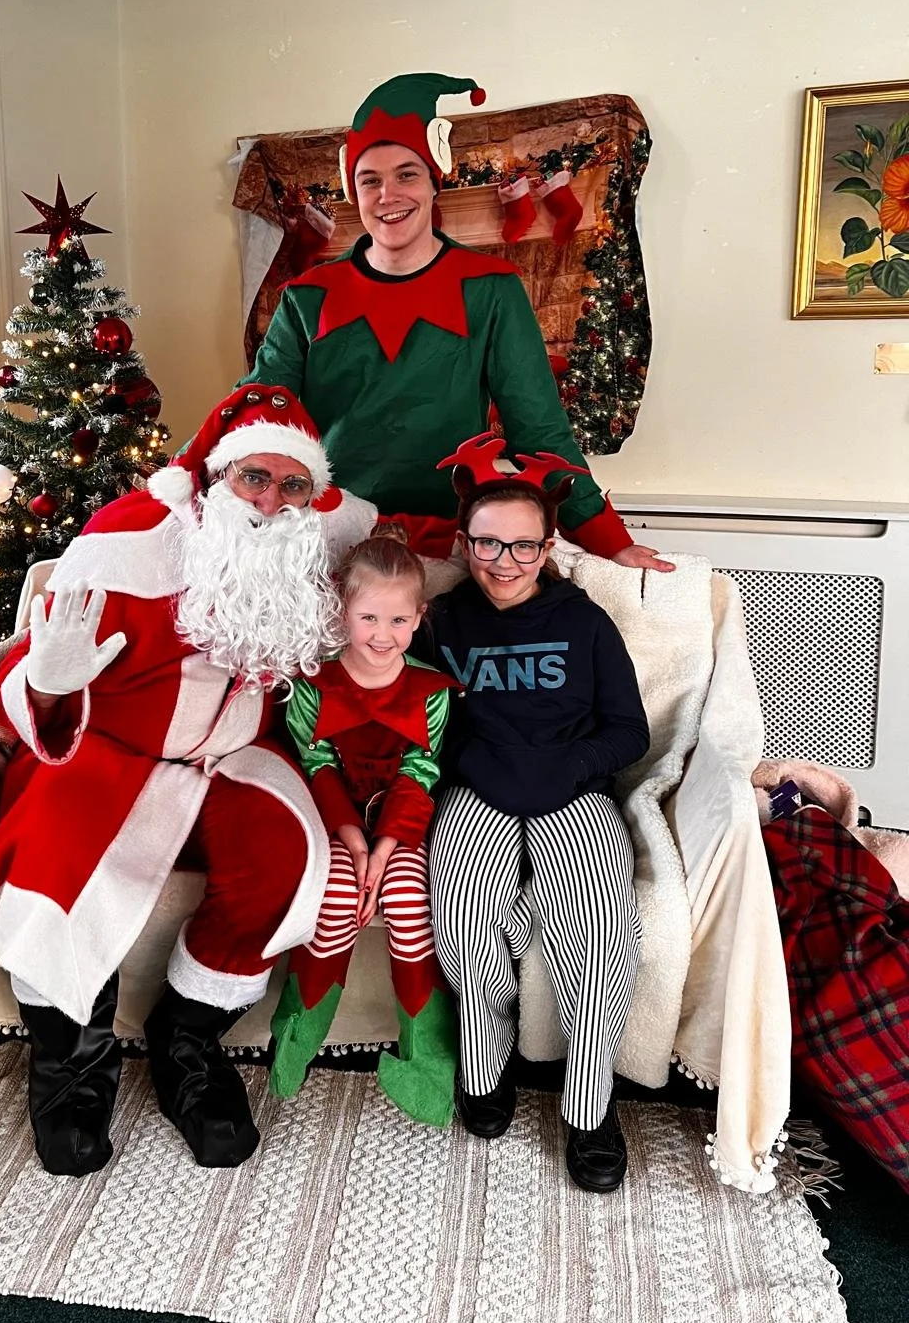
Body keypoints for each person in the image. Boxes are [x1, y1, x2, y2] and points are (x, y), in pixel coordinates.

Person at [0, 384, 376, 1178]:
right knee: (58, 857)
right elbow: (30, 672)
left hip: (233, 757)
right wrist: (52, 681)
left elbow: (424, 550)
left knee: (286, 856)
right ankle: (71, 1070)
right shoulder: (129, 539)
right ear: (216, 479)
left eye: (293, 484)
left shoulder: (318, 546)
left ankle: (187, 1040)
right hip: (108, 745)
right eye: (253, 479)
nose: (271, 502)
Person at [243, 71, 672, 574]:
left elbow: (539, 428)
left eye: (406, 174)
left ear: (433, 180)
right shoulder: (306, 298)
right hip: (331, 542)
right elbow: (256, 414)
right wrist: (174, 487)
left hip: (449, 544)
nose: (388, 195)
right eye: (370, 180)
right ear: (351, 190)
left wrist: (608, 539)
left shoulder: (491, 289)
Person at [422, 432, 651, 1192]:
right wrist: (472, 766)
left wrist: (572, 769)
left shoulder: (583, 621)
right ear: (465, 541)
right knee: (459, 915)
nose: (504, 562)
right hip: (478, 786)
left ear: (548, 545)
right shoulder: (443, 622)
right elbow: (418, 721)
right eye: (488, 544)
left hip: (573, 790)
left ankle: (588, 1109)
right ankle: (485, 1069)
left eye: (523, 547)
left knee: (598, 927)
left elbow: (629, 730)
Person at [268, 535, 459, 1127]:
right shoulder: (312, 684)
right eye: (369, 617)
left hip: (401, 826)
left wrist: (384, 848)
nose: (383, 633)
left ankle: (426, 1056)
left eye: (400, 619)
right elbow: (316, 764)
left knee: (406, 901)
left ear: (419, 617)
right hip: (332, 819)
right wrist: (352, 841)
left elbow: (419, 772)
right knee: (337, 903)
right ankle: (298, 1031)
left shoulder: (429, 689)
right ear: (341, 612)